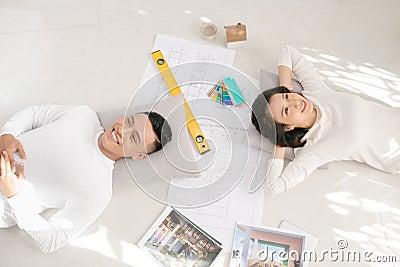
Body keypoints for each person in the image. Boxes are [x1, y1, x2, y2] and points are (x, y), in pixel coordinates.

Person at [0, 104, 172, 252]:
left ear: (139, 156)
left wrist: (15, 197)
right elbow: (35, 113)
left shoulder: (99, 191)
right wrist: (8, 134)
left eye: (133, 137)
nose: (121, 130)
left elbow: (52, 240)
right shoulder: (84, 115)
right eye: (129, 121)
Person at [252, 45, 400, 193]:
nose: (296, 102)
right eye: (286, 110)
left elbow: (288, 52)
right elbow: (275, 186)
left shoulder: (316, 92)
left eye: (287, 97)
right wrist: (280, 141)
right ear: (287, 127)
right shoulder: (314, 150)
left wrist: (285, 87)